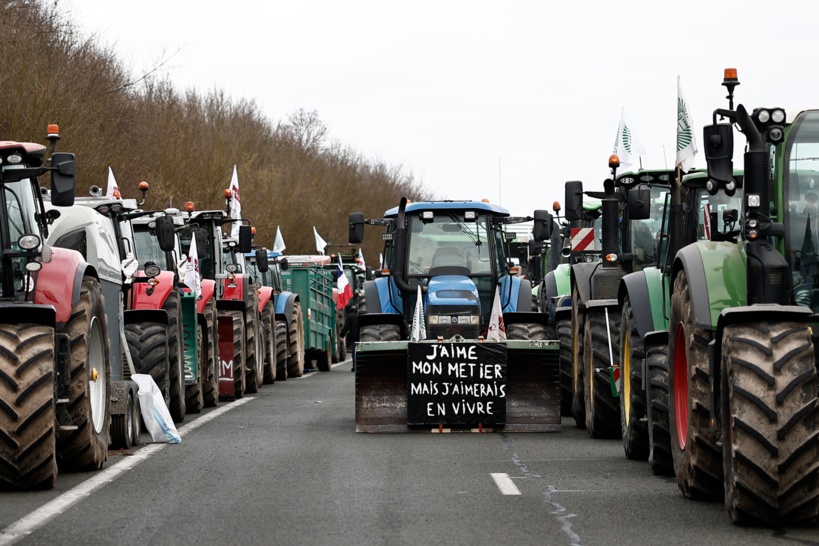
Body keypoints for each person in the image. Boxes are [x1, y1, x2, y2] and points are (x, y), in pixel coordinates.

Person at [340, 303, 359, 371]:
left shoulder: (350, 316)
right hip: (361, 337)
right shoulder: (361, 316)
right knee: (360, 352)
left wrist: (342, 335)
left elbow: (346, 327)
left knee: (354, 353)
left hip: (353, 337)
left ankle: (354, 367)